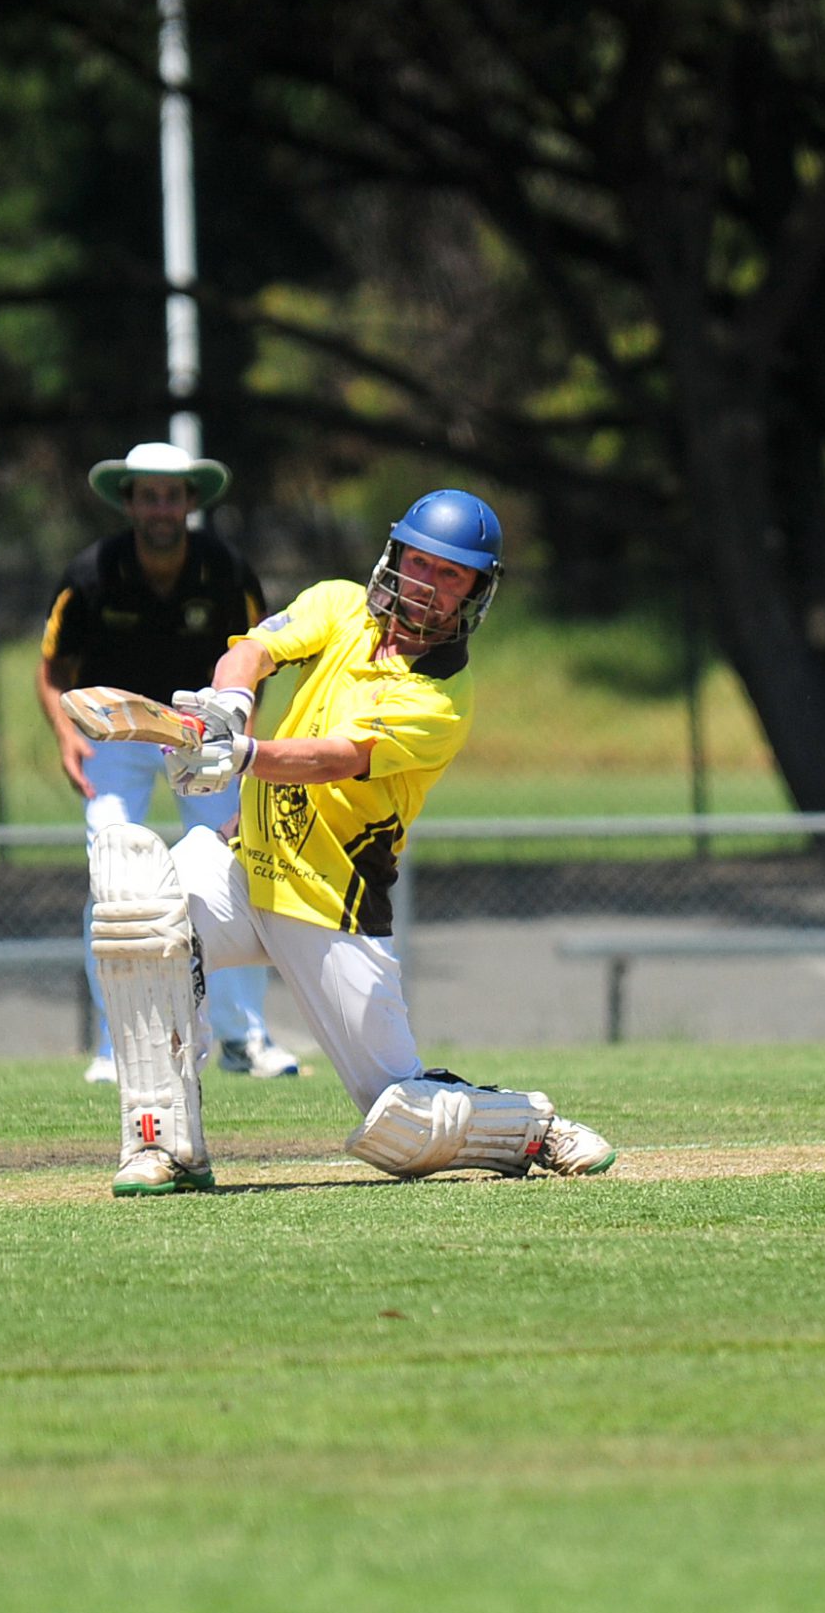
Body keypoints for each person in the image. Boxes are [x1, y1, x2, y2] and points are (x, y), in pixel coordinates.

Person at [85, 488, 617, 1196]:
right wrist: (227, 707)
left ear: (475, 593)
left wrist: (241, 755)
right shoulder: (340, 605)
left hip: (330, 904)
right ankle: (164, 1146)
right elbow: (253, 650)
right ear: (394, 555)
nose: (426, 583)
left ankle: (530, 1127)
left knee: (403, 1120)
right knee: (143, 917)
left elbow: (335, 757)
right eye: (418, 562)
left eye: (450, 574)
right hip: (244, 866)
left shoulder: (440, 699)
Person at [39, 440, 302, 1085]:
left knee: (233, 867)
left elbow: (257, 658)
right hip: (115, 734)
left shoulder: (227, 571)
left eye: (172, 495)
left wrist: (241, 732)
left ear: (190, 502)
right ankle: (118, 1045)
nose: (161, 508)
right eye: (149, 496)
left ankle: (243, 1037)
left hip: (200, 729)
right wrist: (66, 736)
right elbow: (53, 670)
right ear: (129, 503)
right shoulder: (91, 573)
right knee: (112, 874)